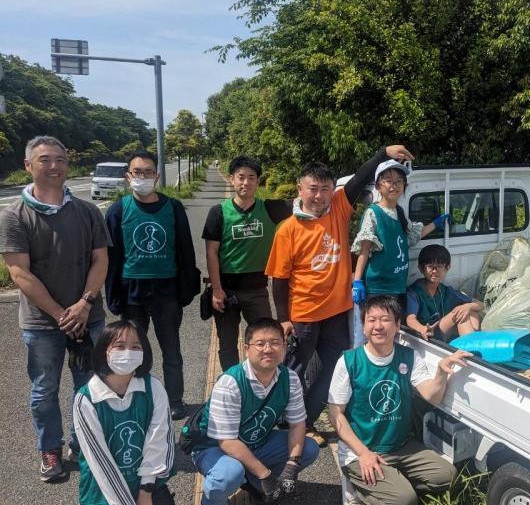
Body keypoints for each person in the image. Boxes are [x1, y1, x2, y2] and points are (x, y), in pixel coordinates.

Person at [266, 145, 414, 447]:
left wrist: (383, 152)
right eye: (312, 189)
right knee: (291, 373)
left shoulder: (339, 207)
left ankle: (305, 421)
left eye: (325, 188)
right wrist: (283, 319)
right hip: (304, 315)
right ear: (300, 188)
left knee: (334, 369)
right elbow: (279, 281)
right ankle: (271, 424)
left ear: (333, 189)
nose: (319, 196)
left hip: (337, 312)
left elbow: (361, 178)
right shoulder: (287, 230)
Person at [0, 135, 110, 481]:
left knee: (89, 386)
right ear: (28, 165)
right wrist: (62, 313)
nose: (54, 166)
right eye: (45, 159)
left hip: (88, 318)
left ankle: (84, 443)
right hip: (41, 324)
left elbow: (100, 259)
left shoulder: (87, 211)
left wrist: (84, 303)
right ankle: (50, 448)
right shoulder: (14, 215)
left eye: (60, 160)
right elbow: (19, 272)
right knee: (44, 390)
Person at [329, 295, 469, 505]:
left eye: (385, 320)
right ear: (363, 326)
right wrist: (363, 453)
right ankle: (356, 486)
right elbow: (335, 413)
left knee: (447, 476)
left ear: (397, 326)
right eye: (371, 320)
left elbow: (431, 396)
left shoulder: (408, 357)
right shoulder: (349, 361)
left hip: (401, 446)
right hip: (363, 448)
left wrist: (441, 372)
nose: (378, 326)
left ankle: (392, 481)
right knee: (404, 503)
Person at [191, 317, 320, 505]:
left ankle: (252, 480)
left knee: (308, 448)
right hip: (213, 446)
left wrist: (292, 464)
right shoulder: (230, 382)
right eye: (260, 344)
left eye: (275, 342)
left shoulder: (289, 378)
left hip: (255, 441)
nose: (268, 349)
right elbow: (228, 442)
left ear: (284, 346)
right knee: (229, 473)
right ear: (247, 348)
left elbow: (298, 424)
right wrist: (266, 474)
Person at [74, 320, 184, 505]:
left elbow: (161, 441)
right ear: (103, 351)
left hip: (146, 487)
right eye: (119, 346)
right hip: (104, 496)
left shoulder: (152, 387)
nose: (128, 352)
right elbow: (102, 465)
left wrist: (145, 492)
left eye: (136, 346)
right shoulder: (86, 399)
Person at [105, 150, 199, 420]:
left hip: (167, 291)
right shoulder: (118, 210)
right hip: (132, 293)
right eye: (137, 173)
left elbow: (185, 250)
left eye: (148, 172)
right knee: (134, 352)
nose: (143, 177)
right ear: (128, 176)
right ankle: (138, 399)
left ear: (157, 176)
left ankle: (175, 400)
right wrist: (113, 297)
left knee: (171, 350)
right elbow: (110, 258)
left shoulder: (173, 207)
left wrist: (186, 289)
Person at [202, 156, 293, 372]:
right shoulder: (218, 212)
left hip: (257, 290)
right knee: (227, 345)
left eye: (251, 178)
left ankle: (262, 382)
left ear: (258, 182)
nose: (246, 182)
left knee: (265, 340)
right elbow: (211, 253)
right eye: (241, 177)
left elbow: (307, 201)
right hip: (225, 290)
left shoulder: (270, 209)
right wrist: (216, 289)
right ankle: (232, 384)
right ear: (232, 179)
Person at [350, 160, 448, 345]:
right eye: (388, 180)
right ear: (379, 185)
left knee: (390, 335)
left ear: (404, 186)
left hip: (396, 288)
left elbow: (413, 235)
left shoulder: (400, 213)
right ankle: (361, 373)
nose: (393, 185)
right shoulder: (373, 212)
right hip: (375, 288)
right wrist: (357, 281)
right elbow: (364, 248)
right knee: (366, 336)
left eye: (399, 181)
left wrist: (436, 224)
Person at [406, 244, 483, 342]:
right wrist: (422, 329)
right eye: (430, 266)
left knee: (470, 311)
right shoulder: (414, 292)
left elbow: (480, 304)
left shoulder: (446, 291)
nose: (434, 271)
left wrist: (468, 307)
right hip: (427, 335)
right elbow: (410, 319)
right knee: (458, 313)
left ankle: (473, 342)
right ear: (421, 269)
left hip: (442, 333)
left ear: (447, 268)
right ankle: (474, 347)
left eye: (439, 267)